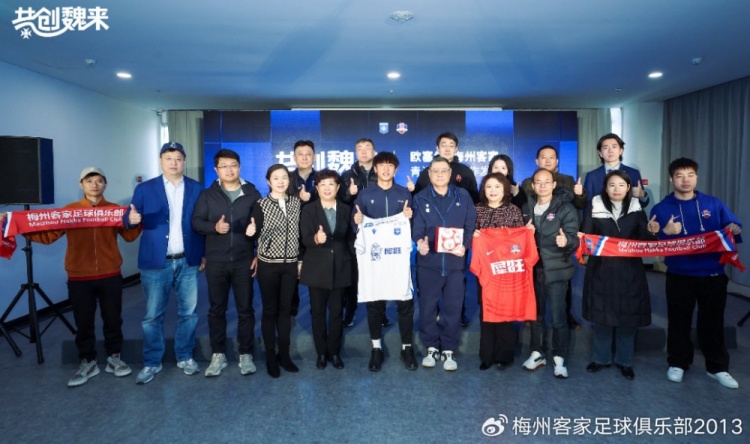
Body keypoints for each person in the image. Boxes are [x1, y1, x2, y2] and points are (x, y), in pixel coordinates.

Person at [22, 167, 140, 387]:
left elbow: (130, 236)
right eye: (89, 181)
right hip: (79, 277)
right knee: (83, 322)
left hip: (110, 274)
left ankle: (115, 357)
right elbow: (48, 235)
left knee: (113, 319)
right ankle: (88, 362)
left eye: (99, 180)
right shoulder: (70, 211)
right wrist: (18, 227)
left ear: (105, 184)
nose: (94, 185)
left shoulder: (115, 210)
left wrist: (135, 221)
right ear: (81, 184)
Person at [650, 157, 742, 389]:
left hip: (713, 274)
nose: (685, 180)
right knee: (679, 321)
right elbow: (653, 243)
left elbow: (733, 227)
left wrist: (733, 227)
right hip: (679, 274)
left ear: (696, 177)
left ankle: (717, 367)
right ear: (671, 179)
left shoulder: (713, 203)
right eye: (679, 176)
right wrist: (665, 232)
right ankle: (678, 363)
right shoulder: (661, 209)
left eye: (690, 175)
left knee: (713, 321)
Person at [125, 142, 206, 385]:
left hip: (188, 260)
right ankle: (152, 361)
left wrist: (203, 254)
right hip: (155, 262)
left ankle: (185, 356)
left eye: (178, 158)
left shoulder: (196, 188)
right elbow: (129, 216)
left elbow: (201, 223)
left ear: (184, 162)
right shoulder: (145, 188)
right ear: (161, 161)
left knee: (188, 313)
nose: (174, 163)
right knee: (152, 316)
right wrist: (130, 219)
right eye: (169, 158)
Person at [580, 171, 658, 381]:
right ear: (605, 188)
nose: (616, 189)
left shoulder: (636, 208)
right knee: (602, 316)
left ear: (628, 188)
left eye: (621, 185)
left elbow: (645, 239)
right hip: (601, 269)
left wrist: (652, 231)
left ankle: (625, 361)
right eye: (612, 185)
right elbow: (586, 235)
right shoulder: (596, 206)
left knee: (628, 318)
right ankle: (600, 358)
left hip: (629, 270)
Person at [192, 148, 261, 377]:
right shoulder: (207, 195)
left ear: (239, 167)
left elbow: (262, 226)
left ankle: (246, 353)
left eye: (233, 165)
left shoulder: (252, 193)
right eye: (224, 166)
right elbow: (196, 222)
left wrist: (257, 252)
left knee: (245, 309)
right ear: (216, 169)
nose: (229, 170)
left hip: (244, 260)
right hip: (216, 261)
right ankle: (218, 353)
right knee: (216, 309)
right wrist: (214, 227)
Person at [353, 151, 418, 372]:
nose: (386, 169)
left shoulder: (404, 194)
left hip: (398, 259)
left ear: (396, 169)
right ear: (375, 168)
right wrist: (356, 220)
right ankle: (376, 348)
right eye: (382, 165)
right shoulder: (365, 195)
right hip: (374, 260)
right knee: (374, 302)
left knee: (405, 302)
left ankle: (407, 347)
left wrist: (409, 217)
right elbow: (356, 224)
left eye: (390, 165)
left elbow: (413, 224)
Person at [412, 156, 477, 371]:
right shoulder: (420, 198)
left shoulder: (463, 196)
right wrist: (419, 242)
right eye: (435, 171)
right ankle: (431, 347)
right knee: (427, 307)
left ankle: (449, 349)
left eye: (443, 171)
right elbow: (416, 227)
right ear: (429, 174)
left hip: (455, 263)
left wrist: (465, 245)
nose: (439, 174)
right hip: (428, 263)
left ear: (450, 173)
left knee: (453, 307)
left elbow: (470, 224)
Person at [410, 132, 479, 327]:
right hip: (432, 237)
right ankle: (432, 313)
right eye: (443, 144)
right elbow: (419, 203)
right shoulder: (427, 172)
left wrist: (467, 237)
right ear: (437, 148)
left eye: (451, 145)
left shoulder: (465, 172)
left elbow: (473, 201)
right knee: (429, 280)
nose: (447, 148)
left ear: (456, 148)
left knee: (456, 279)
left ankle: (459, 313)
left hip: (456, 237)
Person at [521, 168, 579, 379]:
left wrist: (567, 241)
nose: (543, 185)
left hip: (556, 268)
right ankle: (537, 352)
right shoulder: (526, 207)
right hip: (532, 269)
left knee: (558, 316)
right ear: (533, 185)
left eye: (547, 182)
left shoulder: (566, 208)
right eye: (538, 182)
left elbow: (574, 238)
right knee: (535, 315)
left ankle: (559, 356)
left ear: (554, 185)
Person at [521, 145, 586, 330]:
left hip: (559, 239)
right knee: (535, 285)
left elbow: (578, 205)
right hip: (536, 241)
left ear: (557, 161)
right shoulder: (528, 182)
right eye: (543, 157)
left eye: (551, 157)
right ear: (537, 161)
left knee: (562, 285)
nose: (547, 160)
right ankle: (532, 316)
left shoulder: (568, 180)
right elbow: (527, 207)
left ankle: (566, 316)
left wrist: (580, 195)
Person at [471, 172, 530, 370]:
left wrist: (526, 233)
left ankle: (504, 356)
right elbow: (468, 236)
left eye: (497, 186)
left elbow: (519, 242)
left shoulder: (513, 210)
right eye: (489, 186)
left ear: (505, 189)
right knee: (486, 310)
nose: (493, 190)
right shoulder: (476, 210)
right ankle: (486, 356)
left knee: (505, 311)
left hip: (506, 270)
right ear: (483, 190)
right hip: (486, 270)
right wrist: (473, 235)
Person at [251, 164, 302, 378]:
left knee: (285, 311)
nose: (281, 181)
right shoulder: (261, 205)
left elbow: (300, 233)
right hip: (268, 265)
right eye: (276, 178)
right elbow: (253, 233)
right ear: (268, 181)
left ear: (289, 180)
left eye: (284, 177)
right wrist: (250, 232)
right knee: (270, 310)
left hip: (290, 265)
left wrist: (300, 260)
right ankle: (271, 357)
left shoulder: (296, 203)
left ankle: (285, 355)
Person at [300, 169, 353, 370]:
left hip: (340, 267)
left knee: (337, 312)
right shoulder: (309, 210)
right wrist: (316, 239)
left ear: (338, 187)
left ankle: (335, 352)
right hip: (317, 268)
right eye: (323, 184)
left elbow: (350, 239)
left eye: (331, 184)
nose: (327, 188)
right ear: (317, 188)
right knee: (318, 312)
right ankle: (321, 353)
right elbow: (304, 239)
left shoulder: (346, 209)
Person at [338, 138, 378, 327]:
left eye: (367, 148)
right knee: (353, 275)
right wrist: (348, 193)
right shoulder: (347, 175)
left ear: (374, 152)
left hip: (378, 232)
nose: (363, 151)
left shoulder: (382, 172)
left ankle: (379, 313)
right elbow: (339, 202)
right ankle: (350, 311)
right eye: (359, 148)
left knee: (377, 273)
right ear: (355, 152)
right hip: (354, 232)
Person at [289, 140, 317, 319]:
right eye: (301, 154)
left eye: (308, 154)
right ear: (294, 157)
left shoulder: (323, 177)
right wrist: (297, 197)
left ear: (314, 156)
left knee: (317, 276)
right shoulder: (286, 178)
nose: (305, 157)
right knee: (292, 277)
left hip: (316, 235)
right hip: (292, 235)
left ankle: (317, 311)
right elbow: (278, 200)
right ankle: (292, 311)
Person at [583, 133, 649, 209]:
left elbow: (642, 205)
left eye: (614, 147)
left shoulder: (633, 173)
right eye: (606, 148)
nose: (610, 151)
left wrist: (642, 195)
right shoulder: (592, 176)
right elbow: (587, 206)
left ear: (621, 150)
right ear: (600, 153)